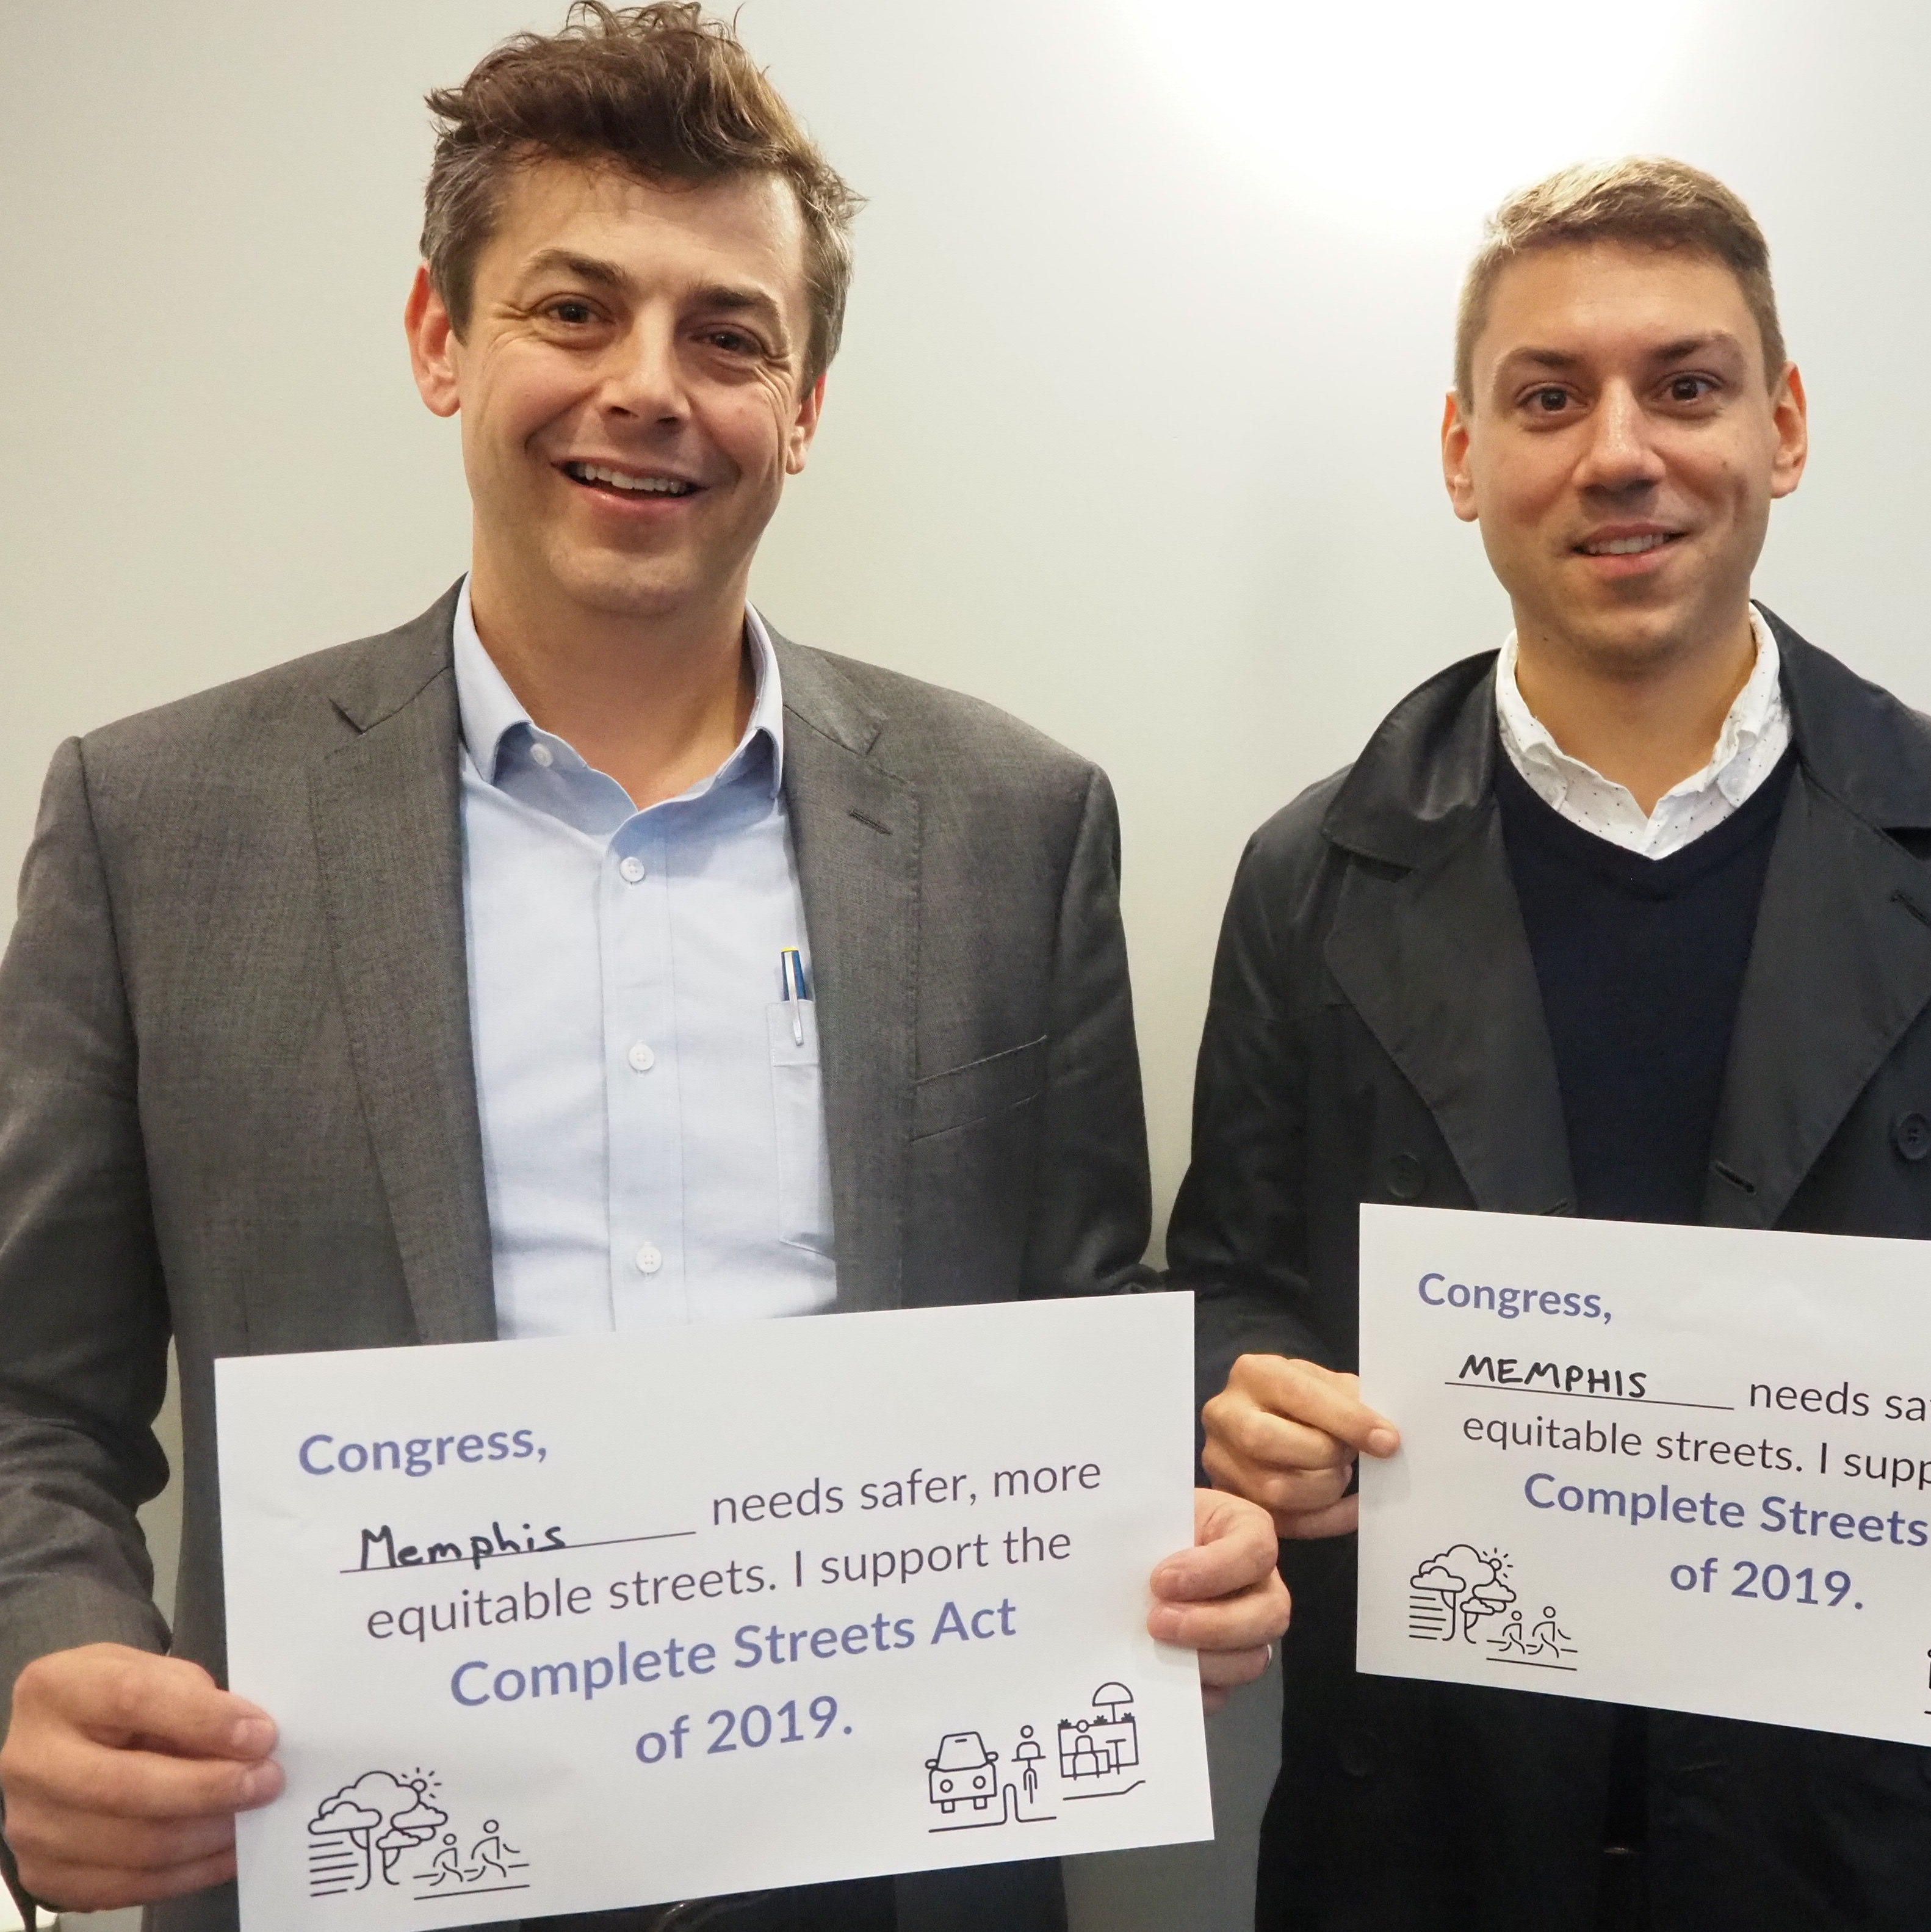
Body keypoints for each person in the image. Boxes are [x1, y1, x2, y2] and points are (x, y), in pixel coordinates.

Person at [0, 8, 1285, 1930]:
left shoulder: (1016, 826)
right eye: (574, 310)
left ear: (806, 403)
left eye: (728, 336)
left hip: (891, 1883)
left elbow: (1078, 1338)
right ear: (440, 340)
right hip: (351, 1869)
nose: (648, 389)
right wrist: (48, 1657)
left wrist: (1175, 1528)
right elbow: (31, 1397)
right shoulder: (156, 826)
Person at [1173, 157, 1931, 1930]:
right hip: (1432, 1831)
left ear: (1780, 428)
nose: (1620, 451)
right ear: (1462, 453)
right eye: (1548, 398)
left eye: (1686, 385)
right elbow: (1230, 1280)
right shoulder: (1312, 875)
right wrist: (1241, 1405)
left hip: (1864, 1845)